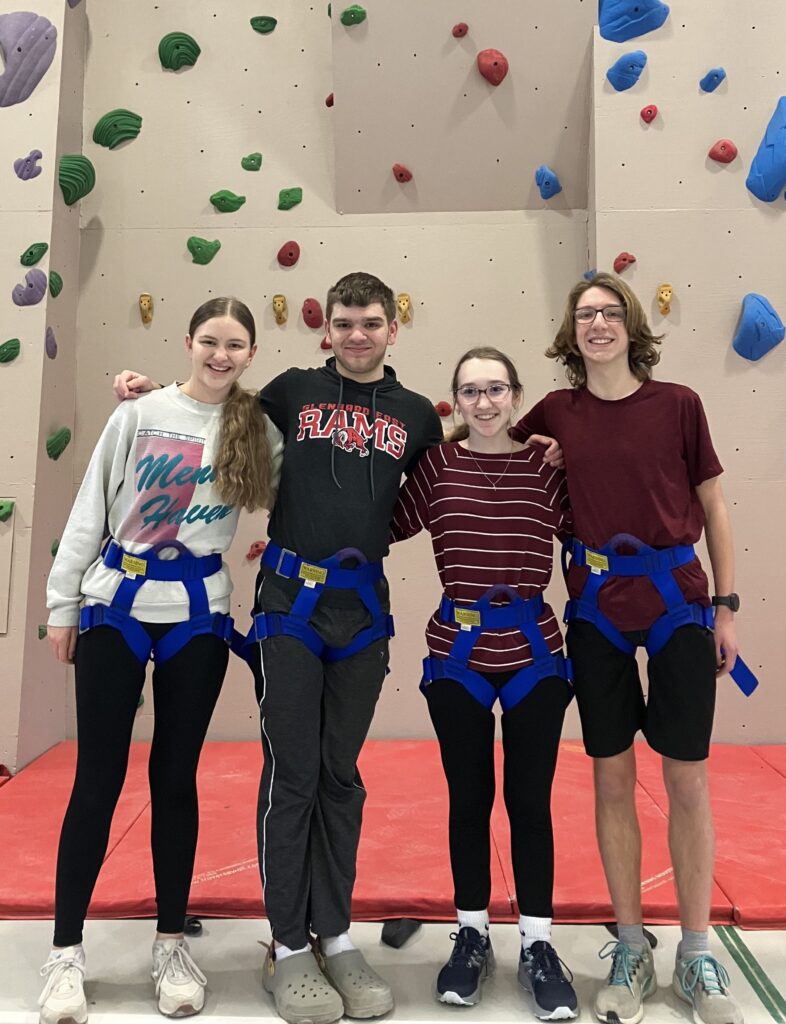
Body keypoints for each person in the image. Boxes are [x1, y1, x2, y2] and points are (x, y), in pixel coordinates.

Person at [113, 272, 445, 1024]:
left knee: (340, 775)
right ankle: (288, 945)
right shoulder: (291, 391)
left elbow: (438, 488)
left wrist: (534, 447)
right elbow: (208, 406)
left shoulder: (417, 415)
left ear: (394, 326)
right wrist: (149, 391)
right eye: (343, 323)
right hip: (289, 606)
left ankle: (335, 932)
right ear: (326, 329)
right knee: (291, 775)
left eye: (370, 323)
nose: (356, 335)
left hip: (363, 612)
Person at [512, 272, 747, 1024]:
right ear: (570, 333)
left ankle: (698, 952)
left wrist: (726, 608)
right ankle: (630, 945)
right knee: (611, 781)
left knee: (686, 781)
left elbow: (713, 505)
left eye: (610, 312)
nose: (597, 324)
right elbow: (489, 455)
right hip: (595, 611)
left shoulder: (678, 405)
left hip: (678, 605)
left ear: (631, 324)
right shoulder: (555, 411)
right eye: (584, 315)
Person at [40, 297, 280, 1023]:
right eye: (210, 340)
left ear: (250, 353)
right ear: (188, 342)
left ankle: (171, 944)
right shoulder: (138, 415)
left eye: (235, 344)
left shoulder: (255, 427)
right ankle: (64, 953)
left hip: (198, 619)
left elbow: (316, 482)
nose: (220, 354)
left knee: (175, 779)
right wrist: (61, 602)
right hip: (116, 607)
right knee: (98, 778)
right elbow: (90, 508)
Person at [390, 347, 579, 1021]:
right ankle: (471, 932)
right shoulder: (436, 467)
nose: (485, 402)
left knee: (530, 802)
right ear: (457, 401)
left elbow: (607, 513)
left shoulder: (549, 468)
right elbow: (375, 519)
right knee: (468, 798)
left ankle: (537, 943)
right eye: (470, 391)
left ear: (515, 393)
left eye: (496, 389)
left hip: (535, 650)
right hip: (457, 653)